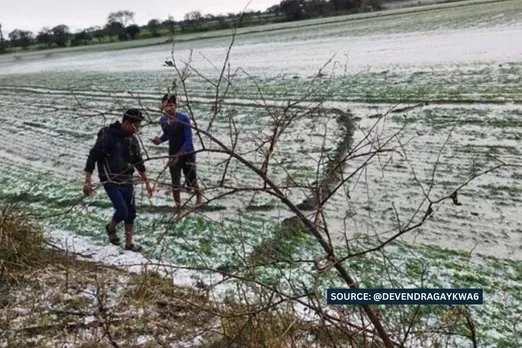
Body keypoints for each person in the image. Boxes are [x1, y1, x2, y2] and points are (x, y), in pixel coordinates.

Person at [83, 108, 153, 252]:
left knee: (131, 212)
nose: (137, 130)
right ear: (127, 122)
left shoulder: (132, 140)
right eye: (136, 126)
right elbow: (93, 156)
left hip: (127, 179)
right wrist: (87, 181)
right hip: (110, 180)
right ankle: (111, 227)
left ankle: (129, 244)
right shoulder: (108, 136)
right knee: (122, 210)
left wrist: (147, 182)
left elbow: (138, 161)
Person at [152, 94, 203, 211]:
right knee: (175, 182)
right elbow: (167, 134)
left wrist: (178, 155)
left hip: (187, 153)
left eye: (171, 105)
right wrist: (159, 140)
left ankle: (199, 195)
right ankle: (178, 206)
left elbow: (189, 140)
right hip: (173, 152)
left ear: (176, 105)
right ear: (162, 107)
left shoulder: (184, 119)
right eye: (166, 106)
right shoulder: (163, 120)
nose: (169, 108)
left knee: (191, 179)